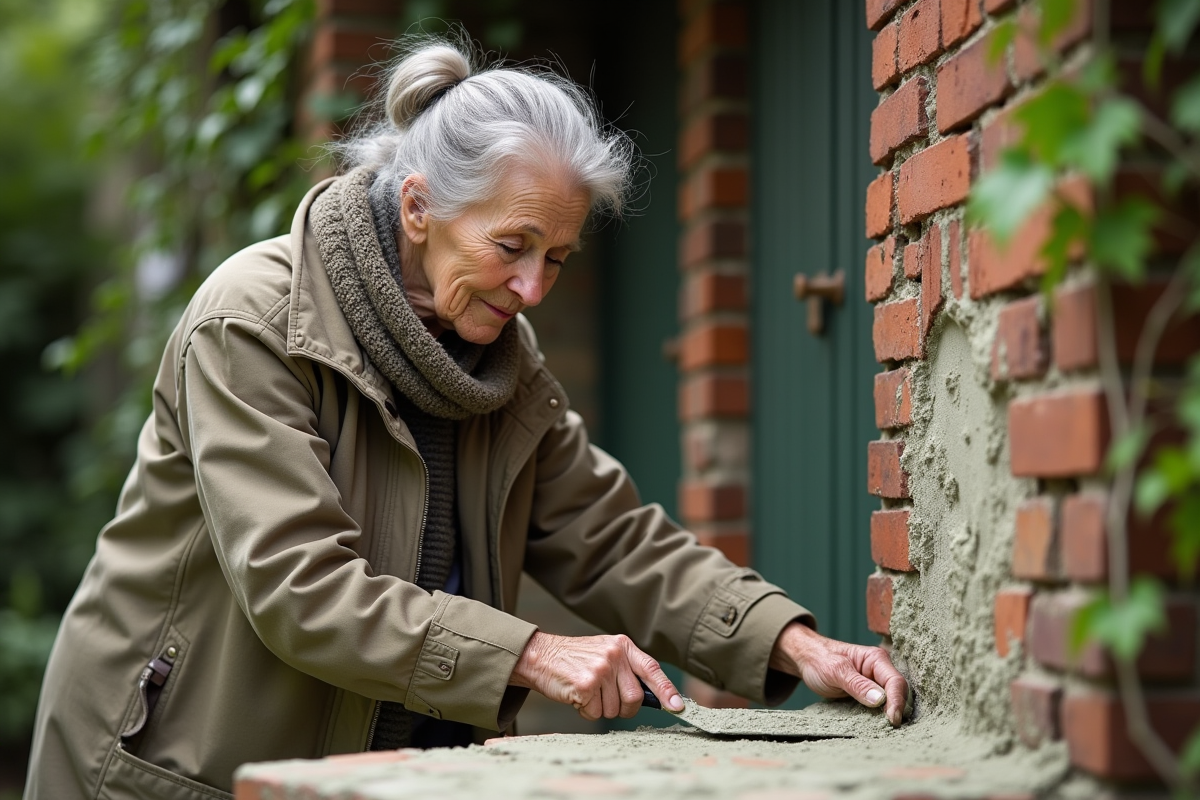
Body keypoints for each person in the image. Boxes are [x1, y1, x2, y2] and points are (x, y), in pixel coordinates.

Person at [24, 33, 909, 800]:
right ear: (419, 207)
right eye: (512, 246)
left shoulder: (501, 363)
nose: (531, 289)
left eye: (556, 258)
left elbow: (613, 539)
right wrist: (532, 654)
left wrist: (791, 642)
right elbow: (302, 589)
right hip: (168, 767)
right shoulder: (254, 322)